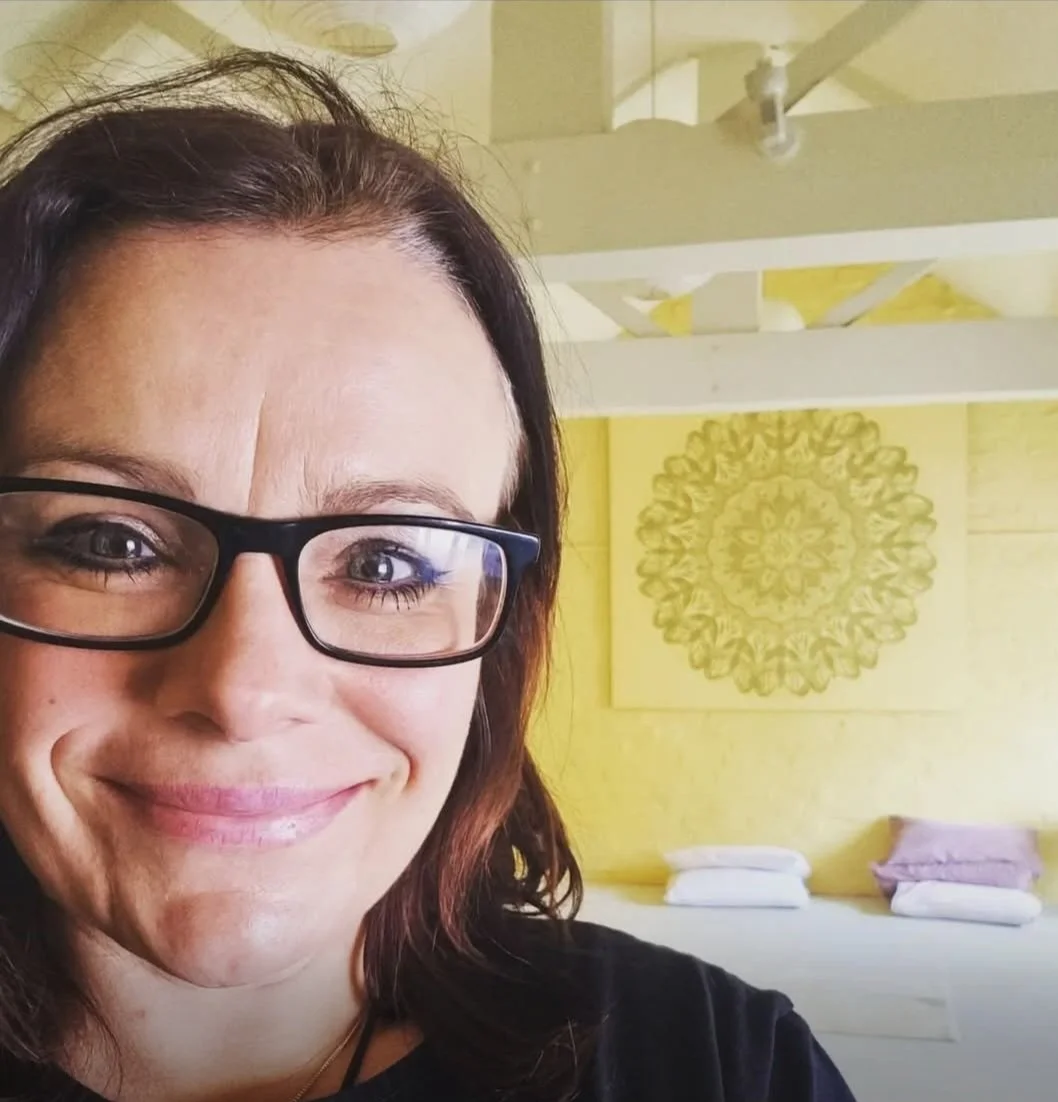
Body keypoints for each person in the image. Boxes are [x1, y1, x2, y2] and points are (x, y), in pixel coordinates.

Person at [0, 51, 857, 1102]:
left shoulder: (719, 1067)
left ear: (503, 635)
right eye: (110, 543)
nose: (241, 691)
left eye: (386, 561)